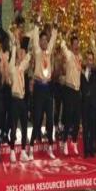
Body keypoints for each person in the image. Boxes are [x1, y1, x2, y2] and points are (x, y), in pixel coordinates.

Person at [29, 21, 58, 160]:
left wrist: (55, 25)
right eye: (43, 40)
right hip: (39, 88)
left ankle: (50, 148)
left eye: (46, 40)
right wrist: (38, 21)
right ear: (40, 42)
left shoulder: (48, 51)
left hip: (48, 88)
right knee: (37, 119)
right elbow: (35, 36)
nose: (45, 42)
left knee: (50, 120)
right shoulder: (37, 52)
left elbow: (53, 38)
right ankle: (30, 149)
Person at [9, 38, 32, 162]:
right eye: (18, 56)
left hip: (22, 100)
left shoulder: (22, 68)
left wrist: (30, 51)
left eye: (20, 55)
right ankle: (12, 151)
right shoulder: (12, 69)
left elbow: (27, 59)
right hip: (14, 100)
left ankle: (23, 151)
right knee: (13, 126)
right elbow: (13, 59)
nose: (19, 57)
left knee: (24, 126)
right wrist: (14, 47)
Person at [60, 36, 82, 156]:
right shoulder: (69, 55)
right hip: (69, 89)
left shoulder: (80, 57)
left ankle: (74, 142)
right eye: (74, 44)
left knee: (77, 119)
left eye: (77, 43)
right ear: (71, 45)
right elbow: (62, 46)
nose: (76, 46)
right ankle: (64, 142)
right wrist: (66, 35)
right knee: (68, 118)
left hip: (77, 91)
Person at [82, 50, 96, 158]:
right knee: (85, 128)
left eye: (91, 60)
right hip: (84, 104)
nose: (89, 62)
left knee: (92, 128)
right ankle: (85, 150)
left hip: (93, 104)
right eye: (88, 59)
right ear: (85, 60)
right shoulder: (81, 72)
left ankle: (91, 149)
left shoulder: (95, 72)